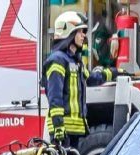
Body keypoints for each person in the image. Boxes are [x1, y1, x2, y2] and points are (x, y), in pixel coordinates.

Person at [44, 12, 113, 147]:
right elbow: (55, 96)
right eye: (80, 31)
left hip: (75, 130)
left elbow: (92, 79)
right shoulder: (57, 60)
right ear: (69, 32)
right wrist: (58, 125)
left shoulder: (75, 61)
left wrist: (112, 72)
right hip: (63, 130)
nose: (83, 36)